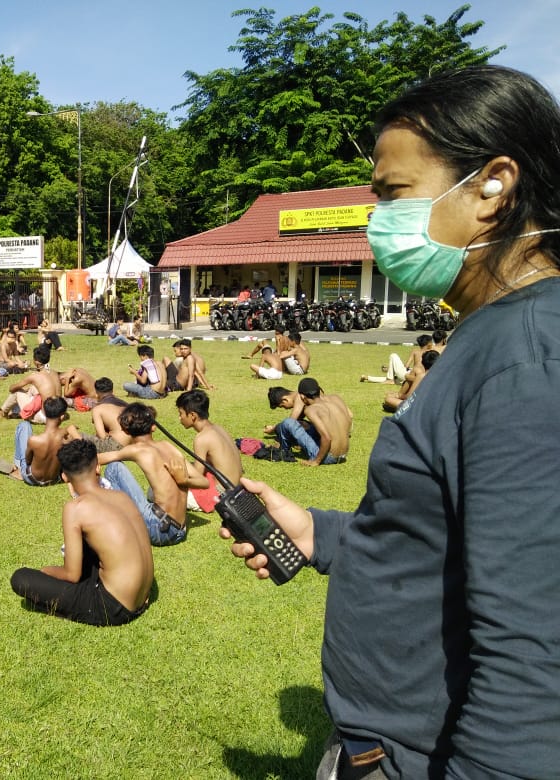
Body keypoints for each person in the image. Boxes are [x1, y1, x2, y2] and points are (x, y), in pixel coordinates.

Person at [222, 66, 560, 779]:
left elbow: (534, 653)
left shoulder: (525, 359)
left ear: (493, 185)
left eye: (394, 194)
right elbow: (456, 544)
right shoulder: (488, 333)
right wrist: (323, 534)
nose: (376, 219)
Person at [9, 438, 153, 626]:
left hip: (113, 608)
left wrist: (46, 572)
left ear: (65, 477)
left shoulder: (75, 509)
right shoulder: (121, 497)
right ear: (97, 468)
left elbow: (72, 575)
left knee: (21, 578)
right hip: (143, 597)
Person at [98, 403, 206, 546]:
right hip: (180, 530)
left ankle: (117, 523)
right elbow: (204, 482)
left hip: (159, 530)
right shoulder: (168, 446)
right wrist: (184, 480)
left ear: (125, 431)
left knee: (114, 467)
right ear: (153, 426)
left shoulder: (136, 449)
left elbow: (101, 459)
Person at [175, 389, 241, 511]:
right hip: (236, 488)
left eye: (181, 414)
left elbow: (197, 476)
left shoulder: (202, 438)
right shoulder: (218, 428)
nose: (179, 418)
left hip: (221, 494)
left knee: (157, 492)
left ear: (192, 416)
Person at [0, 396, 73, 486]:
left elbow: (28, 461)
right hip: (54, 479)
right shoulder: (67, 439)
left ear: (44, 413)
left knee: (24, 425)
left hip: (31, 478)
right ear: (62, 417)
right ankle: (18, 468)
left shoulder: (35, 440)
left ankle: (18, 468)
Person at [275, 378, 351, 465]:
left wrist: (316, 461)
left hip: (328, 457)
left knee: (288, 422)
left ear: (302, 397)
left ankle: (284, 451)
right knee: (308, 426)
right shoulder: (335, 399)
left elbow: (326, 438)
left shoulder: (311, 410)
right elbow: (349, 421)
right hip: (343, 455)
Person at [0, 345, 59, 422]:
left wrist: (19, 388)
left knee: (17, 392)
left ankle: (3, 412)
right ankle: (15, 412)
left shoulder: (35, 376)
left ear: (36, 361)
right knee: (31, 388)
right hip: (57, 414)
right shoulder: (54, 373)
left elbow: (11, 389)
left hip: (43, 417)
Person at [361, 334, 432, 384]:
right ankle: (367, 377)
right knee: (395, 379)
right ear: (428, 344)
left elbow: (406, 366)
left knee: (393, 355)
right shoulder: (432, 353)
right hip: (415, 377)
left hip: (409, 376)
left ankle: (388, 378)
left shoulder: (416, 351)